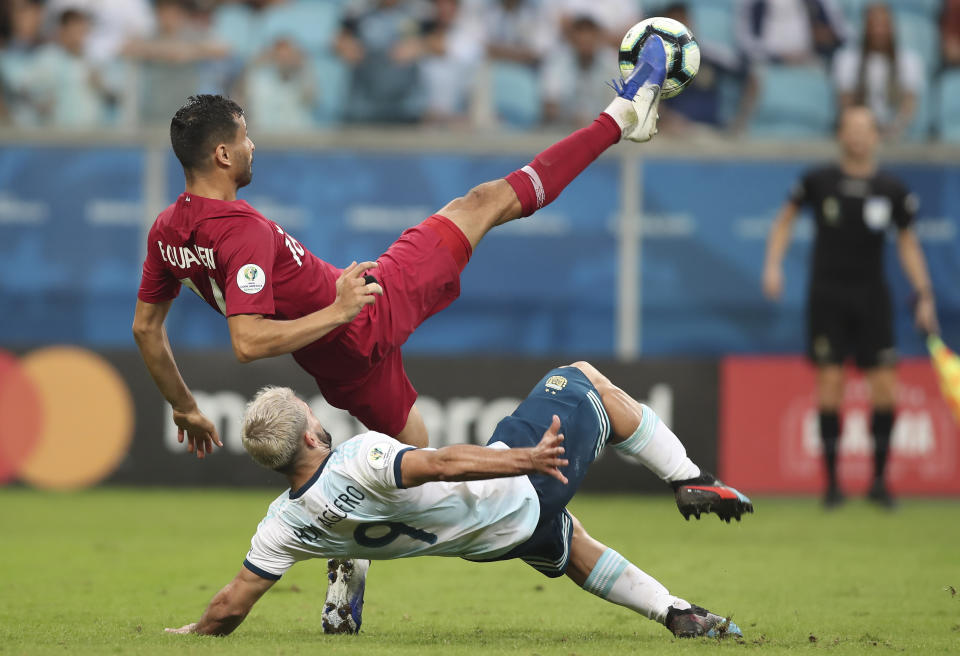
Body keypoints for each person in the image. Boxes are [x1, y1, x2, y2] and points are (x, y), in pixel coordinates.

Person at [133, 36, 669, 631]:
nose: (253, 145)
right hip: (363, 314)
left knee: (411, 457)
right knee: (485, 202)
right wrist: (339, 311)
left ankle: (346, 582)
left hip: (339, 365)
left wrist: (184, 407)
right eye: (244, 137)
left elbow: (146, 328)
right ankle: (622, 115)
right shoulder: (241, 229)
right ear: (223, 156)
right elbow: (248, 342)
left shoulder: (166, 230)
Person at [163, 361, 753, 638]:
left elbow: (230, 606)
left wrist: (191, 634)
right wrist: (522, 459)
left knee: (573, 548)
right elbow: (441, 462)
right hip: (516, 488)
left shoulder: (284, 526)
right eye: (313, 415)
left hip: (492, 541)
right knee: (579, 377)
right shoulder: (359, 457)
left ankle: (677, 615)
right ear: (315, 435)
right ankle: (688, 476)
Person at [762, 105, 939, 509]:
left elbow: (908, 243)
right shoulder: (818, 180)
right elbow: (785, 220)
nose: (858, 135)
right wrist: (773, 264)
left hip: (873, 299)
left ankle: (879, 482)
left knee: (884, 389)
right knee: (829, 385)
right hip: (827, 297)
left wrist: (924, 293)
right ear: (841, 134)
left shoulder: (892, 189)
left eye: (865, 128)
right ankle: (832, 486)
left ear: (876, 136)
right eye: (851, 128)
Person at [833, 2, 925, 140]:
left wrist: (893, 130)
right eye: (873, 26)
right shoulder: (847, 60)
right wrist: (863, 129)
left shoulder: (910, 61)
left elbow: (909, 104)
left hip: (896, 134)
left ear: (892, 28)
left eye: (883, 26)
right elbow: (846, 103)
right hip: (859, 131)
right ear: (865, 28)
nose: (878, 32)